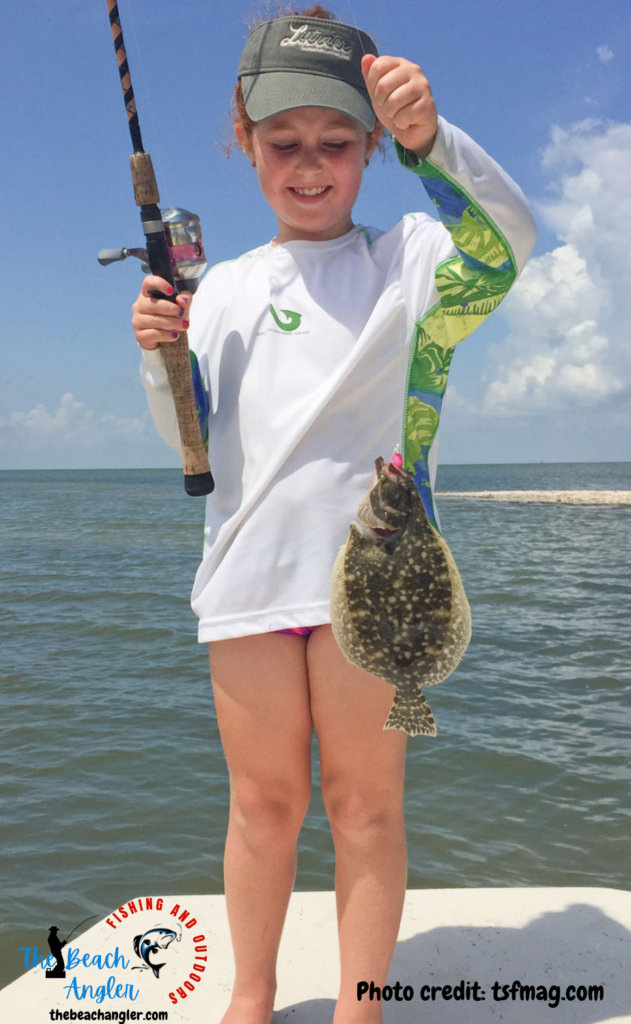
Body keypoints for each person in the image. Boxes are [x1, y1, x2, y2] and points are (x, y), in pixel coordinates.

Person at [132, 7, 536, 1023]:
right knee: (263, 806)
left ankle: (361, 1004)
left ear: (366, 149)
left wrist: (429, 145)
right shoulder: (217, 288)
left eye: (335, 144)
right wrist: (157, 353)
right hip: (246, 580)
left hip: (383, 573)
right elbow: (198, 438)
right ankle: (251, 995)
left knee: (364, 805)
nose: (308, 166)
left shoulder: (407, 260)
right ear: (242, 140)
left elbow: (504, 246)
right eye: (283, 145)